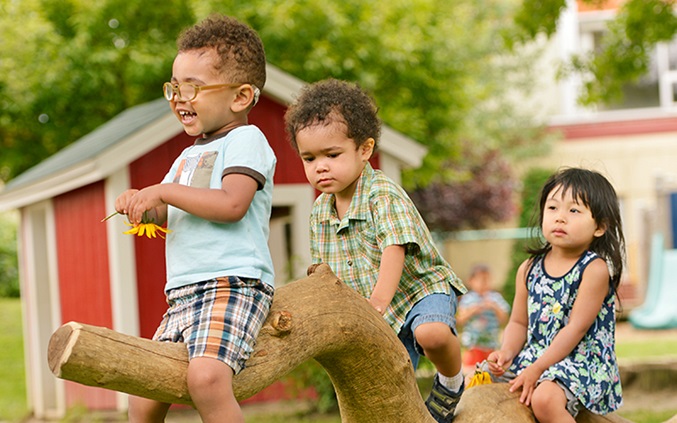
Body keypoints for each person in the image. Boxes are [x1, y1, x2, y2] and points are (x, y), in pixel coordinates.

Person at [114, 15, 276, 423]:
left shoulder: (246, 140)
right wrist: (139, 203)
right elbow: (165, 210)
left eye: (193, 88)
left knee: (206, 379)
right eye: (174, 87)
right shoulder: (186, 156)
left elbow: (231, 204)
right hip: (183, 293)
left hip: (232, 284)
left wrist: (164, 191)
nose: (178, 98)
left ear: (240, 97)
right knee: (143, 394)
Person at [284, 78, 467, 423]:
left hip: (419, 291)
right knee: (384, 385)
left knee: (431, 333)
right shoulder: (320, 214)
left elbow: (394, 248)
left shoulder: (381, 193)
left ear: (364, 150)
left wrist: (377, 306)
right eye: (309, 158)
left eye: (332, 154)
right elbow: (327, 278)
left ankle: (452, 381)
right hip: (378, 313)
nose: (320, 166)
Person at [487, 167, 624, 422]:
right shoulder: (528, 268)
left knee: (544, 399)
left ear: (600, 227)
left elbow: (575, 330)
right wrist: (506, 353)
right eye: (553, 208)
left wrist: (537, 369)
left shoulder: (593, 270)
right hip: (536, 356)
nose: (560, 218)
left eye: (574, 211)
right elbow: (518, 322)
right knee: (482, 378)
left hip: (581, 361)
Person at [456, 264, 509, 373]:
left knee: (490, 371)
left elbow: (504, 318)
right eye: (481, 280)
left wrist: (494, 307)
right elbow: (460, 319)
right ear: (471, 281)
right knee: (472, 371)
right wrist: (473, 310)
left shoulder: (495, 298)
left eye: (487, 280)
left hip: (491, 344)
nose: (484, 283)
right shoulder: (467, 299)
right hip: (472, 344)